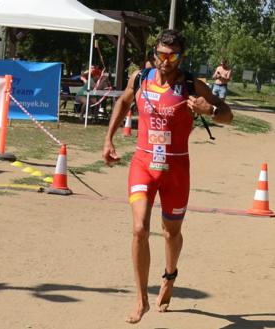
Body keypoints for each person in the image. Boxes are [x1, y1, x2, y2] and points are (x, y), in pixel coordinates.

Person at [102, 29, 233, 324]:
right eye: (161, 54)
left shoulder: (191, 85)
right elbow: (123, 102)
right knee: (139, 229)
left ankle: (169, 275)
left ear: (180, 57)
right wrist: (108, 139)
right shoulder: (140, 78)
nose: (166, 60)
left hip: (176, 170)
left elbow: (227, 115)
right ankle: (141, 299)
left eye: (172, 55)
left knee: (171, 232)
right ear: (154, 54)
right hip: (143, 164)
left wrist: (208, 109)